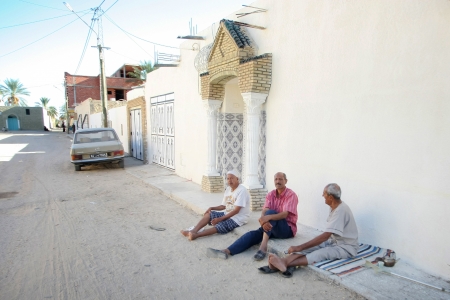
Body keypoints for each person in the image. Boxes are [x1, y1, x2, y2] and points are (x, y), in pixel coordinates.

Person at [262, 183, 358, 278]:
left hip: (346, 247)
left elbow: (325, 236)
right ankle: (284, 261)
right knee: (312, 246)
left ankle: (283, 264)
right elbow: (327, 237)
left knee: (321, 253)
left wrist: (299, 247)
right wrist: (301, 247)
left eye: (324, 193)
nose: (322, 195)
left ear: (331, 197)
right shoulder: (334, 206)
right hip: (334, 241)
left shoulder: (341, 211)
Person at [207, 172, 298, 260]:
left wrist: (267, 218)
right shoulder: (271, 194)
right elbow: (265, 210)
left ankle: (263, 246)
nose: (278, 181)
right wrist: (263, 220)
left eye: (280, 179)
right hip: (271, 226)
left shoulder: (291, 195)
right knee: (252, 234)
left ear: (286, 181)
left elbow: (285, 214)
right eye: (276, 179)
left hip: (286, 229)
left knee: (271, 213)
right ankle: (226, 251)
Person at [180, 169, 250, 240]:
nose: (229, 180)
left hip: (238, 218)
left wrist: (219, 219)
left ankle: (196, 235)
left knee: (220, 225)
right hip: (228, 213)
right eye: (228, 178)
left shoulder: (242, 190)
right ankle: (193, 231)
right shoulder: (228, 189)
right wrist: (212, 208)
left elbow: (236, 211)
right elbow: (223, 206)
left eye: (232, 178)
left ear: (237, 179)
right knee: (209, 214)